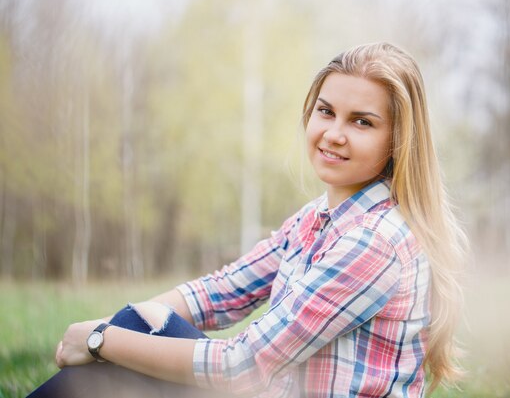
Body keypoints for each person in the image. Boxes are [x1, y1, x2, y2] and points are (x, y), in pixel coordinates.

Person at [28, 42, 467, 398]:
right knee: (145, 322)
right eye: (326, 111)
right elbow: (219, 293)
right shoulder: (318, 219)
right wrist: (113, 325)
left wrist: (99, 341)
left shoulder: (376, 241)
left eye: (362, 122)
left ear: (397, 141)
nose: (334, 133)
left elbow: (242, 367)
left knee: (127, 350)